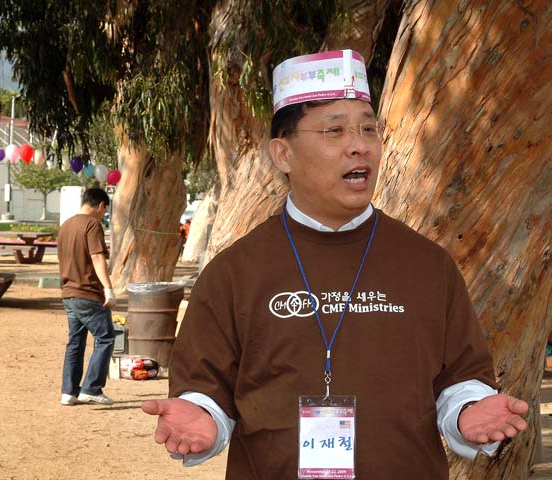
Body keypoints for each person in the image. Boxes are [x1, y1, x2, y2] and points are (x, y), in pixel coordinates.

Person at [142, 49, 528, 479]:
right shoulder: (234, 272)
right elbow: (206, 386)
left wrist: (468, 410)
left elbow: (461, 377)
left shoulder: (428, 264)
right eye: (335, 130)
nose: (359, 146)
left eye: (368, 129)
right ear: (283, 154)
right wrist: (204, 417)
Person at [57, 187, 116, 406]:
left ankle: (69, 391)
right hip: (88, 292)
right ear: (100, 205)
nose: (104, 214)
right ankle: (91, 388)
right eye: (105, 210)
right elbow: (97, 257)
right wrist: (108, 288)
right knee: (106, 337)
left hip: (68, 292)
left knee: (76, 341)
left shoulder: (66, 225)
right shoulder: (92, 224)